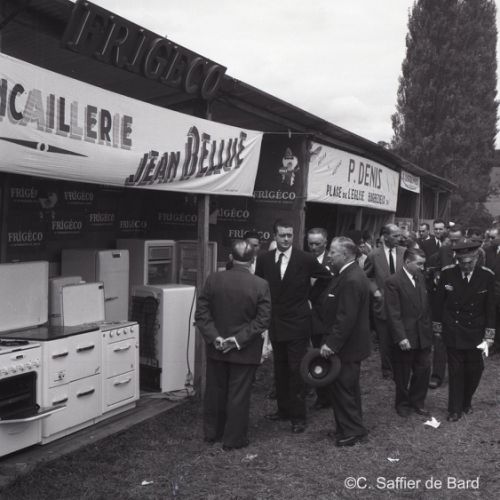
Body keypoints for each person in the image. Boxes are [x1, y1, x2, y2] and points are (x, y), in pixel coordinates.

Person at [255, 219, 331, 434]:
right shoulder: (265, 259)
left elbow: (326, 277)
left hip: (298, 322)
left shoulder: (305, 258)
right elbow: (258, 285)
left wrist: (310, 296)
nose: (286, 239)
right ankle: (283, 410)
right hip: (276, 322)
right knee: (279, 368)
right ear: (275, 236)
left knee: (296, 369)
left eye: (290, 235)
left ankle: (298, 417)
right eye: (282, 235)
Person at [195, 239, 271, 450]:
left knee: (215, 392)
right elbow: (263, 320)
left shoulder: (213, 280)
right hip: (245, 350)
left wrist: (216, 337)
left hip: (217, 347)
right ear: (253, 259)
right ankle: (233, 439)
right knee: (239, 395)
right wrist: (238, 340)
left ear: (230, 258)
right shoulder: (260, 285)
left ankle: (213, 433)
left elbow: (202, 314)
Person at [433, 240, 496, 422]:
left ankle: (466, 401)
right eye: (462, 262)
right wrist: (438, 328)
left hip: (476, 331)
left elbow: (490, 307)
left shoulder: (486, 276)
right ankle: (455, 409)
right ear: (457, 260)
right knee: (456, 371)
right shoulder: (448, 273)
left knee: (476, 369)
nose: (466, 266)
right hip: (453, 329)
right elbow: (438, 302)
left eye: (470, 262)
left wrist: (489, 335)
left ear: (476, 259)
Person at [319, 237, 371, 447]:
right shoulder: (347, 274)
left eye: (333, 252)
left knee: (345, 388)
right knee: (345, 388)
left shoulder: (351, 279)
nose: (329, 256)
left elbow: (346, 317)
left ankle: (353, 431)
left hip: (347, 346)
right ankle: (346, 426)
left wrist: (331, 344)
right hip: (349, 345)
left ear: (346, 254)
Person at [385, 248, 433, 417]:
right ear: (407, 262)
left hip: (422, 334)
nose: (422, 267)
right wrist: (401, 337)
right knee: (402, 373)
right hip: (406, 335)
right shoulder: (393, 281)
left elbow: (425, 306)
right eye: (419, 264)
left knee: (423, 370)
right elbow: (393, 313)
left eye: (423, 264)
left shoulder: (420, 277)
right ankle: (402, 403)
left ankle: (417, 401)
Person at [364, 223, 405, 379]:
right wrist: (375, 291)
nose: (399, 238)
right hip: (382, 303)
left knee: (400, 335)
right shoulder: (373, 255)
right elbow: (367, 277)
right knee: (385, 338)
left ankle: (400, 366)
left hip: (402, 303)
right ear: (385, 237)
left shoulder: (404, 252)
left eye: (400, 235)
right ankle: (387, 369)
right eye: (395, 236)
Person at [307, 227, 332, 410]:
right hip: (306, 315)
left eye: (318, 244)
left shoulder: (333, 260)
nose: (314, 247)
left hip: (326, 317)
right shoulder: (304, 260)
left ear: (325, 242)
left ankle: (325, 396)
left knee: (323, 354)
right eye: (311, 244)